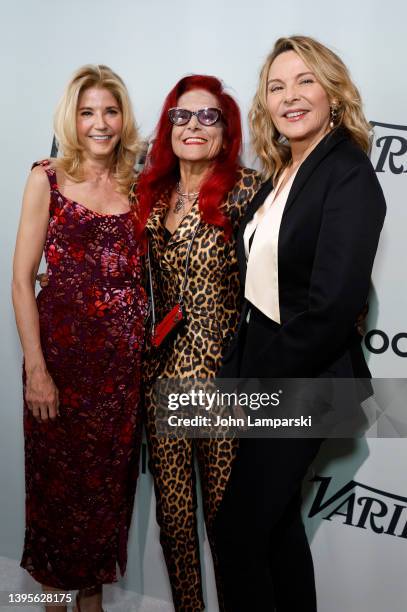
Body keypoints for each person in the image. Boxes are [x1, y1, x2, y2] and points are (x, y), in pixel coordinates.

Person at [214, 36, 386, 612]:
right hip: (269, 372)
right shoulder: (284, 173)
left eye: (304, 81)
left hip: (307, 379)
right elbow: (264, 290)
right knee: (278, 528)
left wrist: (259, 382)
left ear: (332, 92)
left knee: (238, 534)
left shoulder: (348, 173)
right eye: (276, 86)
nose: (290, 97)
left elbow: (333, 307)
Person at [12, 65, 147, 612]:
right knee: (57, 500)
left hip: (120, 379)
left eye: (110, 111)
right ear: (72, 117)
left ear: (123, 118)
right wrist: (38, 371)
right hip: (60, 373)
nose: (99, 122)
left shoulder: (139, 185)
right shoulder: (45, 177)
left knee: (101, 504)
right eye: (88, 111)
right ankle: (53, 606)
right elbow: (21, 280)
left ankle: (88, 606)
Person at [135, 75, 261, 611]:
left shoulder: (249, 190)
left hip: (222, 384)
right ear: (169, 126)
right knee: (176, 523)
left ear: (225, 128)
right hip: (163, 383)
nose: (193, 125)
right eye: (182, 116)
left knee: (228, 526)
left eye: (208, 116)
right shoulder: (153, 194)